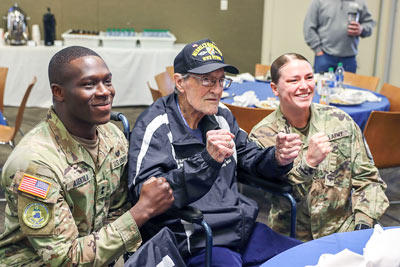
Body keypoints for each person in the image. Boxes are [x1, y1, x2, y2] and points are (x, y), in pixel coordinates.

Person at [128, 39, 303, 266]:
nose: (218, 89)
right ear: (180, 83)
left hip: (238, 228)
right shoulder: (156, 125)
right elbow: (145, 197)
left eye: (221, 80)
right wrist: (206, 160)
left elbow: (248, 157)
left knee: (305, 257)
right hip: (195, 237)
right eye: (207, 80)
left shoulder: (221, 116)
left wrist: (276, 158)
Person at [0, 46, 176, 266]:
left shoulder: (112, 137)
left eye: (108, 81)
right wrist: (142, 211)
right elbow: (65, 260)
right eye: (89, 84)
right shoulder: (35, 165)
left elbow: (115, 209)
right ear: (58, 92)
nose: (104, 92)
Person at [249, 53, 389, 242]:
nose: (304, 86)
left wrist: (362, 225)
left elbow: (369, 179)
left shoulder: (340, 122)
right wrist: (309, 163)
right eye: (293, 80)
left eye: (309, 78)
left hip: (344, 229)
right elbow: (282, 199)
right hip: (291, 235)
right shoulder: (264, 135)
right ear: (274, 88)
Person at [303, 0, 375, 73]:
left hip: (349, 59)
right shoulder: (319, 2)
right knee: (321, 84)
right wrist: (318, 50)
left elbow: (369, 24)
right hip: (324, 56)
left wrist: (362, 29)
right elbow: (308, 27)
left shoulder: (360, 2)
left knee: (347, 84)